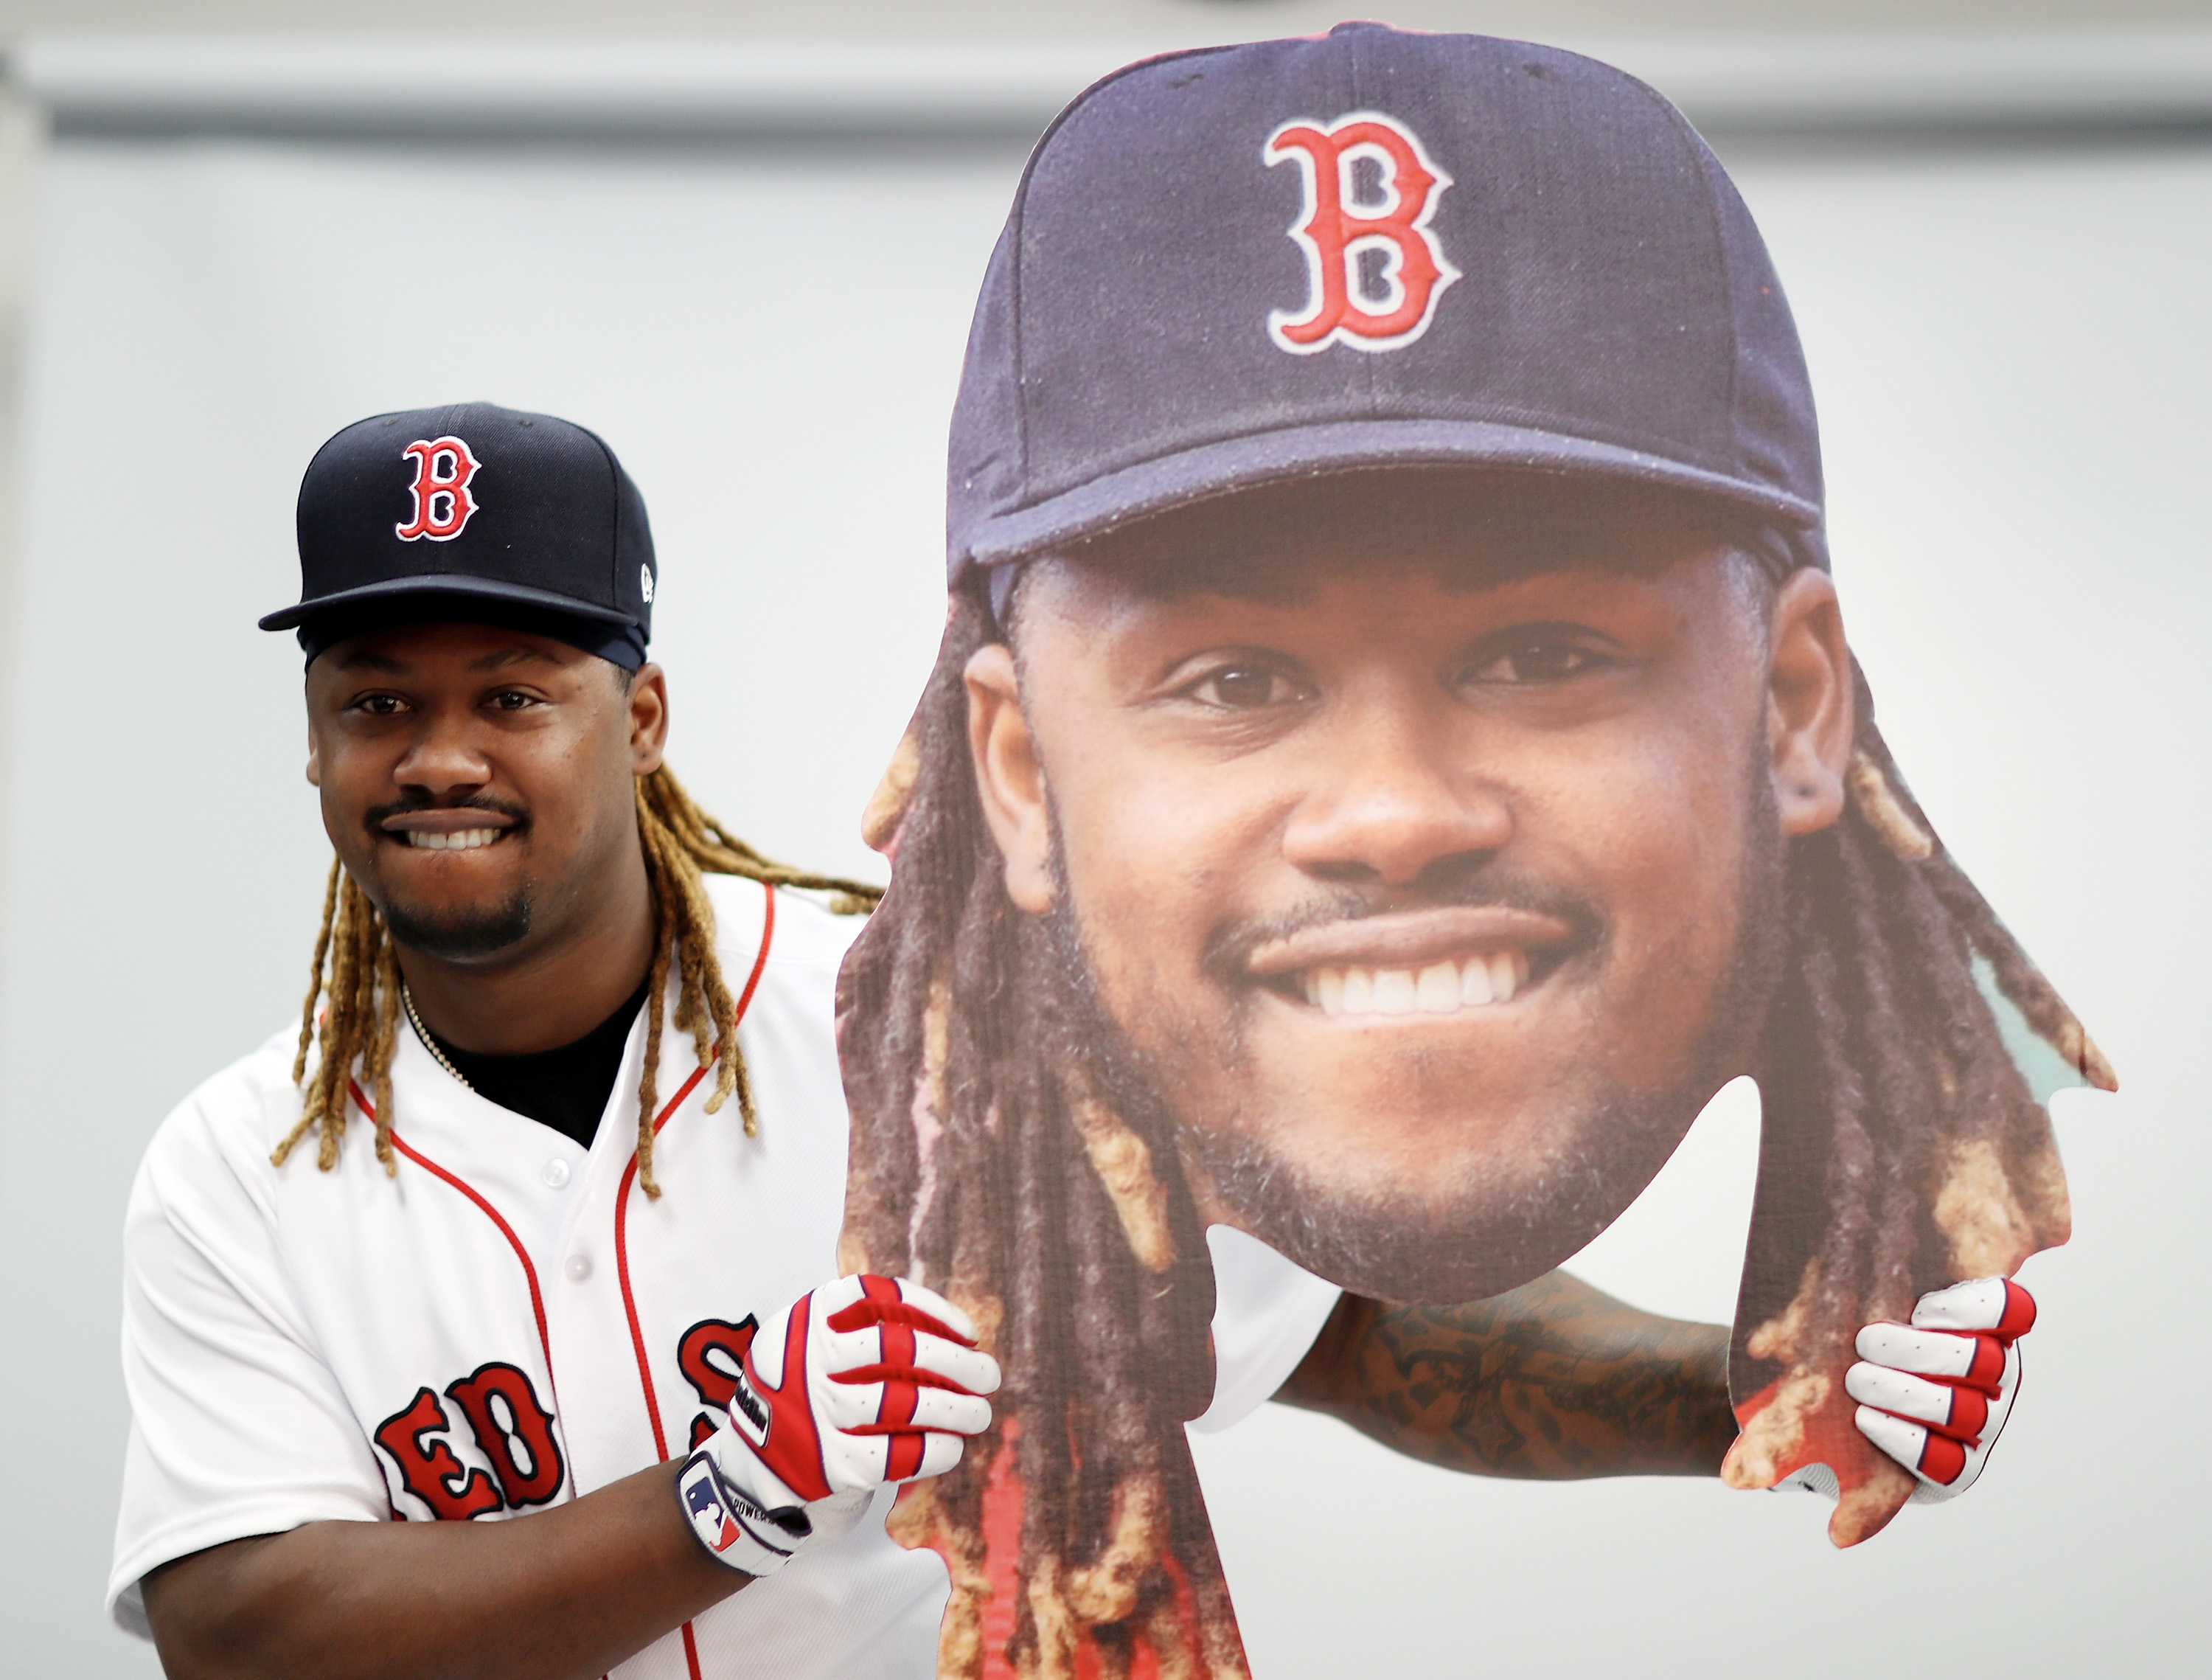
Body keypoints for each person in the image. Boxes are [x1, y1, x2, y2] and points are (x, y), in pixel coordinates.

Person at [834, 25, 2104, 1674]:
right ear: (1015, 770)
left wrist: (1786, 1383)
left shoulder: (1162, 1120)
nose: (1394, 810)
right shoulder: (796, 1090)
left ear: (1795, 705)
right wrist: (721, 1499)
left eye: (1543, 652)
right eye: (1232, 678)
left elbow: (1349, 1325)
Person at [105, 403, 1009, 1680]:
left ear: (642, 717)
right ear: (315, 739)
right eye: (378, 699)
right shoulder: (238, 1167)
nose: (438, 757)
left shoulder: (908, 1024)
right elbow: (240, 1631)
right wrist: (735, 1493)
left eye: (512, 693)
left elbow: (1322, 1307)